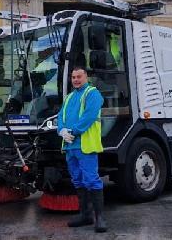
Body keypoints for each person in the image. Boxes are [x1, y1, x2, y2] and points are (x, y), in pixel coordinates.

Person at [57, 67, 108, 233]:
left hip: (85, 145)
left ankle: (99, 218)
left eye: (79, 76)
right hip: (70, 146)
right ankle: (85, 215)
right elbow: (60, 117)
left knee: (91, 180)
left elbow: (90, 115)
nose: (76, 80)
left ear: (86, 77)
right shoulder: (70, 97)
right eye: (73, 77)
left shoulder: (92, 93)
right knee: (77, 180)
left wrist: (72, 131)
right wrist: (62, 130)